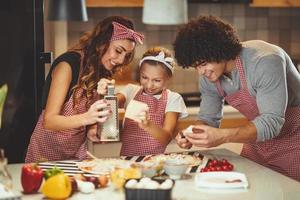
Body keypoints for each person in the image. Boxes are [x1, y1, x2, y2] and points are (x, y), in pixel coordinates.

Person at [173, 15, 300, 181]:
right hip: (258, 141)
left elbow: (272, 122)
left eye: (203, 64)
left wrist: (223, 135)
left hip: (294, 140)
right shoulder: (209, 76)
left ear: (219, 50)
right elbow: (208, 119)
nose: (201, 72)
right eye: (195, 66)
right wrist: (192, 133)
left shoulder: (265, 61)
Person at [25, 16, 144, 162]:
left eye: (127, 55)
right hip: (45, 156)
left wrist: (91, 129)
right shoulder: (68, 65)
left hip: (75, 155)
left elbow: (85, 111)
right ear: (101, 42)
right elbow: (50, 121)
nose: (121, 60)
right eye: (118, 51)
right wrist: (88, 118)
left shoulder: (101, 70)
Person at [97, 47, 188, 156]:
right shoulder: (131, 91)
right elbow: (110, 105)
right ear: (139, 73)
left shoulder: (173, 99)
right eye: (144, 77)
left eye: (157, 80)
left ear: (168, 78)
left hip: (154, 163)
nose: (149, 85)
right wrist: (106, 91)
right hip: (127, 162)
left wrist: (148, 125)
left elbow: (166, 138)